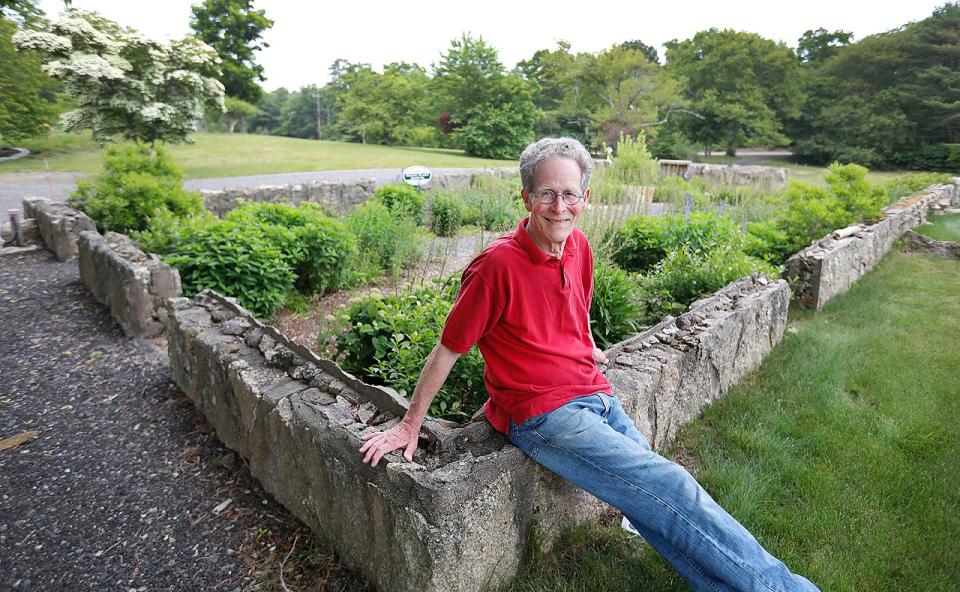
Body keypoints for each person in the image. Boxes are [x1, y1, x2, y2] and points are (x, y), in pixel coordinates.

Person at [359, 137, 819, 592]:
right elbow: (448, 349)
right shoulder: (495, 266)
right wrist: (409, 425)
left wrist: (585, 345)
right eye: (547, 194)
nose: (560, 206)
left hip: (592, 388)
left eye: (570, 194)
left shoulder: (578, 245)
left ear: (586, 198)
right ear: (526, 198)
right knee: (673, 486)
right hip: (542, 413)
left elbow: (574, 309)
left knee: (651, 506)